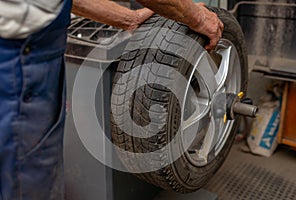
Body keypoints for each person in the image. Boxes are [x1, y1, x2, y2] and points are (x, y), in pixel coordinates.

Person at [0, 0, 223, 199]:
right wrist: (198, 16)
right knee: (27, 175)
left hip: (21, 50)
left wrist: (130, 18)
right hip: (19, 59)